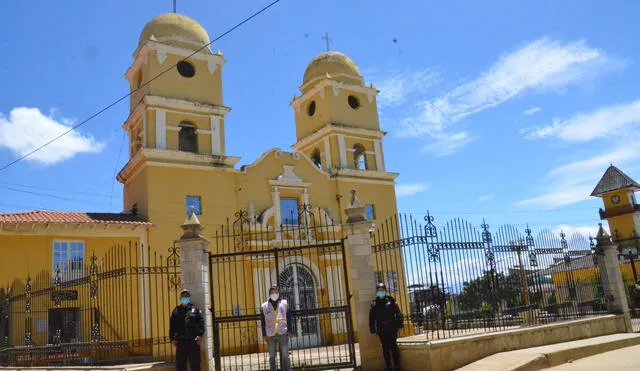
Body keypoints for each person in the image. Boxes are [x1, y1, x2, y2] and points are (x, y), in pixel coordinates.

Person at [369, 282, 403, 371]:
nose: (381, 292)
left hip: (392, 327)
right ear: (377, 292)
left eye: (382, 290)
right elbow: (371, 317)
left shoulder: (391, 300)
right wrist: (373, 329)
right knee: (385, 347)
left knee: (393, 346)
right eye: (379, 290)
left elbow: (398, 313)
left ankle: (397, 365)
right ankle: (388, 366)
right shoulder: (374, 303)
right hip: (381, 328)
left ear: (385, 291)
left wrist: (400, 325)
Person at [169, 289, 205, 371]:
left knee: (195, 365)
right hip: (180, 342)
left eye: (187, 296)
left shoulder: (195, 309)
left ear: (189, 298)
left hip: (193, 342)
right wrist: (172, 339)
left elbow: (201, 322)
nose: (185, 298)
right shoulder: (176, 311)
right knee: (181, 366)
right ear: (180, 298)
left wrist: (200, 335)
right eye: (183, 296)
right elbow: (172, 326)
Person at [260, 285, 293, 371]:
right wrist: (264, 334)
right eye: (272, 292)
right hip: (270, 334)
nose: (274, 294)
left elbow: (289, 317)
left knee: (285, 355)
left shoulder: (284, 303)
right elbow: (262, 321)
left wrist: (290, 330)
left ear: (279, 293)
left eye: (276, 292)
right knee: (272, 356)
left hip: (283, 332)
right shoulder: (264, 306)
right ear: (269, 293)